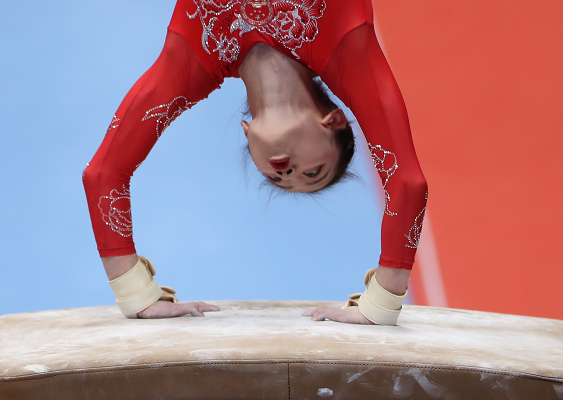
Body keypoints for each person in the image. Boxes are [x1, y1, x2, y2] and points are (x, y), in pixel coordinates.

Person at [82, 0, 428, 325]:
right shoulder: (345, 46)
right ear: (334, 121)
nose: (287, 172)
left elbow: (103, 173)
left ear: (247, 134)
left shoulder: (196, 55)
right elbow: (407, 183)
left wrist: (136, 295)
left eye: (278, 180)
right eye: (313, 172)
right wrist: (382, 303)